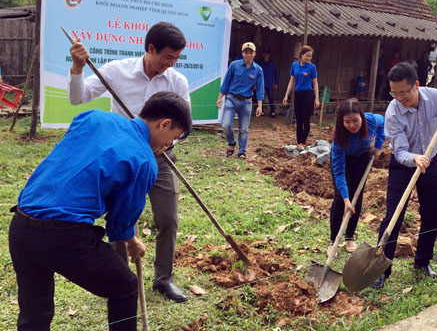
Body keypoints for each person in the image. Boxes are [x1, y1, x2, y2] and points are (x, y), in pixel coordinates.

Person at [9, 92, 192, 331]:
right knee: (125, 287)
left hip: (21, 225)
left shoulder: (92, 117)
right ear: (164, 124)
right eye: (172, 138)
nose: (167, 146)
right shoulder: (144, 160)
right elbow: (119, 224)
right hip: (63, 235)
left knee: (35, 310)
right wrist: (133, 241)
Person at [67, 21, 191, 302]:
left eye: (176, 58)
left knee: (168, 218)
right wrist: (77, 68)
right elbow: (78, 97)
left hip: (161, 159)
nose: (170, 64)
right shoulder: (116, 71)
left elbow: (181, 126)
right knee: (120, 220)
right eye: (167, 57)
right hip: (122, 160)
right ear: (150, 48)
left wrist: (169, 142)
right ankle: (120, 279)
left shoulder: (177, 81)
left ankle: (164, 279)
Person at [372, 63, 437, 289]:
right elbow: (399, 152)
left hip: (432, 163)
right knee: (393, 216)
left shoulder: (436, 98)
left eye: (403, 92)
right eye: (394, 93)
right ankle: (381, 268)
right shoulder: (393, 112)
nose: (399, 97)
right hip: (404, 165)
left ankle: (423, 262)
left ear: (416, 85)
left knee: (433, 215)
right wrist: (415, 158)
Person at [328, 99, 384, 255]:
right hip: (343, 160)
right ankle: (333, 240)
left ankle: (349, 236)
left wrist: (378, 146)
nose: (352, 125)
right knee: (340, 198)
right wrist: (346, 200)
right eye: (347, 122)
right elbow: (339, 172)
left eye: (355, 120)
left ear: (362, 117)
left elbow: (383, 124)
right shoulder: (338, 140)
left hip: (362, 158)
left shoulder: (371, 120)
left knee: (357, 196)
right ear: (341, 122)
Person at [217, 42, 264, 159]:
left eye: (250, 52)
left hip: (246, 101)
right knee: (226, 124)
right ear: (242, 53)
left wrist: (259, 106)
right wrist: (220, 97)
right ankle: (231, 142)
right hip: (231, 99)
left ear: (254, 54)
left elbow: (260, 88)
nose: (248, 55)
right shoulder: (234, 65)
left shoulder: (258, 70)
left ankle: (242, 151)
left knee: (244, 128)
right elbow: (226, 82)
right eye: (246, 52)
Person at [283, 45, 319, 150]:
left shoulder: (312, 67)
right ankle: (298, 143)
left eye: (310, 56)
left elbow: (315, 83)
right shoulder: (294, 66)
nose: (308, 58)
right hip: (297, 94)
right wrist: (286, 95)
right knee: (298, 120)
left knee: (305, 119)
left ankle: (303, 142)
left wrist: (316, 98)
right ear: (301, 55)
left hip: (308, 94)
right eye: (307, 56)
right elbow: (291, 81)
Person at [254, 47, 279, 118]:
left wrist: (276, 83)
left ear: (269, 55)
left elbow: (276, 74)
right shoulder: (260, 63)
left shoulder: (272, 64)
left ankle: (273, 112)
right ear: (263, 55)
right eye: (265, 54)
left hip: (269, 83)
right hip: (261, 83)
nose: (266, 55)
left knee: (271, 97)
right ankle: (261, 111)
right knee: (260, 97)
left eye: (267, 54)